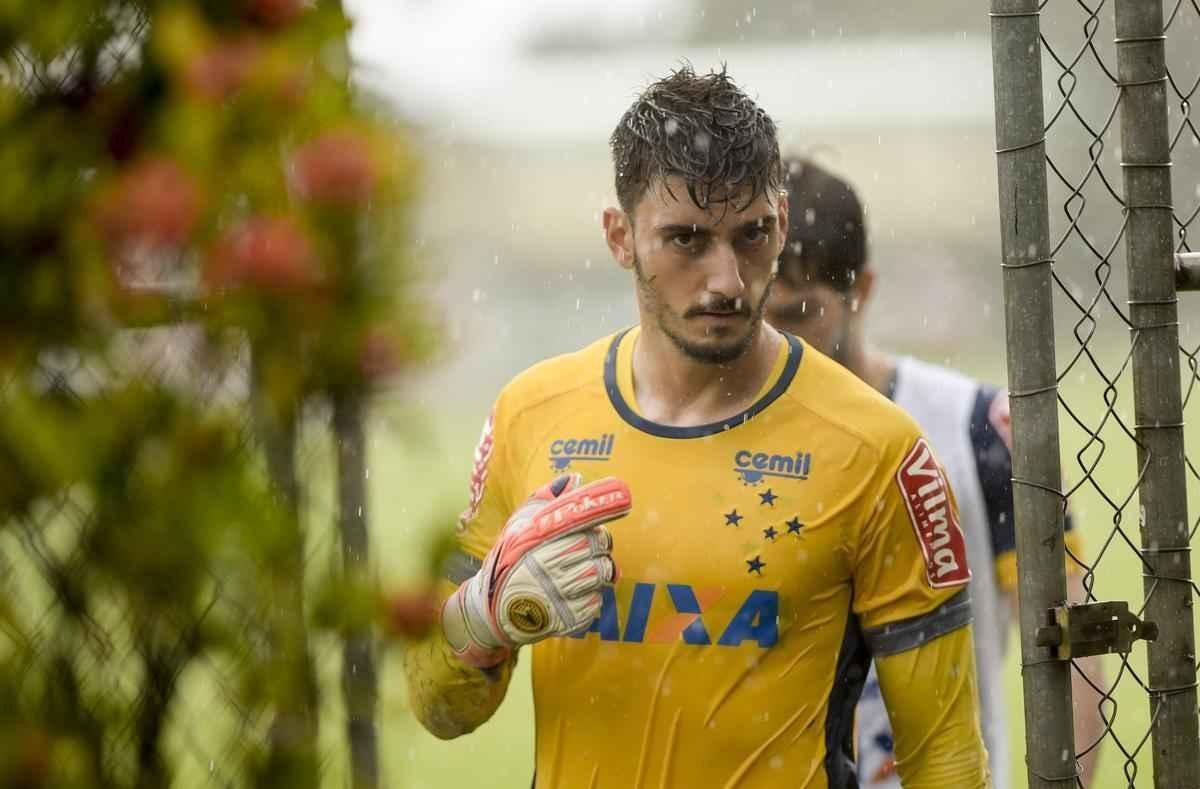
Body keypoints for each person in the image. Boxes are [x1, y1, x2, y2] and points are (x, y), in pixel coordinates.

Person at [404, 65, 990, 788]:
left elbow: (948, 759)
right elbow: (437, 707)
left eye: (752, 236)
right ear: (620, 237)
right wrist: (481, 621)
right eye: (686, 239)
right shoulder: (532, 414)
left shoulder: (878, 447)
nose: (727, 280)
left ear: (780, 220)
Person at [764, 157, 1103, 788]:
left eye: (801, 314)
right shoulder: (726, 436)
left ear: (860, 290)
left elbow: (1070, 641)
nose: (779, 341)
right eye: (763, 317)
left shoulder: (979, 428)